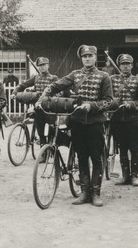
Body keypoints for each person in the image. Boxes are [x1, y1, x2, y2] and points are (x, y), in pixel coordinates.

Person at [43, 45, 112, 207]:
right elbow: (57, 85)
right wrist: (45, 94)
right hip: (77, 121)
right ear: (81, 58)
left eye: (90, 55)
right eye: (85, 56)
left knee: (96, 157)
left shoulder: (104, 76)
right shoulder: (74, 75)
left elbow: (108, 101)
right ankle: (84, 192)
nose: (87, 58)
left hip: (95, 122)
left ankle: (95, 193)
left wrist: (92, 106)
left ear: (95, 57)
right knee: (81, 156)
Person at [108, 54, 138, 186]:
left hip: (133, 119)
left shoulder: (137, 80)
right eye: (123, 64)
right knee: (122, 148)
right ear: (119, 66)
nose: (125, 66)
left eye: (128, 64)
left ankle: (134, 176)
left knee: (134, 148)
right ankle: (125, 176)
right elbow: (107, 96)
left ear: (132, 66)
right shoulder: (112, 79)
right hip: (117, 119)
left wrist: (131, 104)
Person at [16, 56, 60, 149]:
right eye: (40, 66)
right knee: (40, 130)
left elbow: (59, 91)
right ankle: (43, 151)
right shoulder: (35, 78)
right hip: (38, 108)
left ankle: (51, 148)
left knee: (52, 130)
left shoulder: (54, 78)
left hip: (50, 108)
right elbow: (23, 85)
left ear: (48, 66)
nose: (42, 67)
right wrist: (15, 92)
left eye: (44, 65)